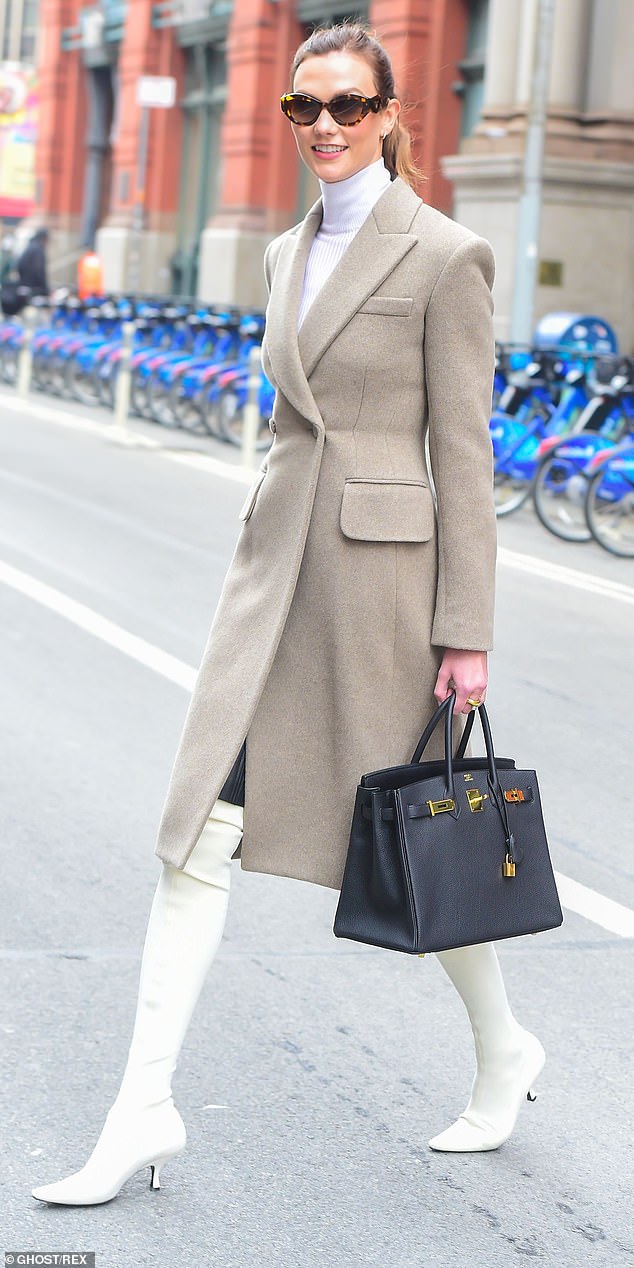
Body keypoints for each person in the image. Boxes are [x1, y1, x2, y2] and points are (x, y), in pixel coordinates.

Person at [32, 22, 545, 1207]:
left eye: (347, 106)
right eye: (302, 108)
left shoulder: (445, 255)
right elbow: (286, 426)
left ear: (388, 112)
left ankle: (504, 1046)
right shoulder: (278, 254)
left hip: (378, 589)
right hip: (272, 579)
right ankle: (144, 1104)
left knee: (419, 833)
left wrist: (465, 630)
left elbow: (460, 458)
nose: (323, 126)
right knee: (199, 827)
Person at [16, 227, 49, 298]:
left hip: (25, 285)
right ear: (44, 238)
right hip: (34, 288)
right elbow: (39, 270)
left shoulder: (30, 246)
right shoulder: (38, 249)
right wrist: (45, 289)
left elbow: (19, 265)